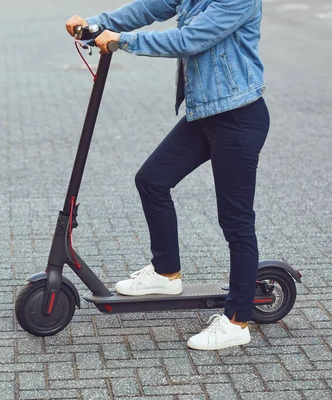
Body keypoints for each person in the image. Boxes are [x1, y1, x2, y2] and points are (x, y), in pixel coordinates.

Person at [65, 0, 270, 351]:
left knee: (235, 221)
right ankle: (166, 273)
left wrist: (120, 40)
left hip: (238, 118)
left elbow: (189, 40)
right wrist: (94, 23)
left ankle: (237, 321)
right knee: (152, 180)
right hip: (206, 115)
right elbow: (149, 7)